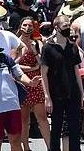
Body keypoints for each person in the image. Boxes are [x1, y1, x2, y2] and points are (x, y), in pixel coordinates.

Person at [40, 15, 84, 151]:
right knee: (56, 127)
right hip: (56, 94)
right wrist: (47, 97)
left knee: (74, 128)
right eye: (65, 26)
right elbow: (44, 74)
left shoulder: (72, 47)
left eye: (69, 25)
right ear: (57, 28)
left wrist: (82, 94)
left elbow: (77, 71)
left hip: (73, 93)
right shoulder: (48, 48)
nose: (68, 28)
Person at [12, 16, 51, 150]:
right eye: (25, 25)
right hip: (21, 80)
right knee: (24, 119)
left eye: (30, 26)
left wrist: (34, 51)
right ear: (20, 27)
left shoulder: (38, 43)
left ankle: (51, 146)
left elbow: (41, 63)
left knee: (42, 117)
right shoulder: (16, 43)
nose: (27, 28)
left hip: (37, 81)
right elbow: (12, 63)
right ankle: (26, 147)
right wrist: (30, 68)